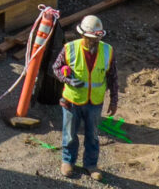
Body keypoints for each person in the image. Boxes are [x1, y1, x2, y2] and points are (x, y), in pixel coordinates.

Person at [50, 14, 121, 178]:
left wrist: (114, 100)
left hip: (94, 102)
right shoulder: (70, 48)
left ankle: (91, 165)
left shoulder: (107, 51)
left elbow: (113, 77)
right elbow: (56, 68)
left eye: (95, 39)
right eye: (90, 38)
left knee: (93, 136)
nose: (93, 42)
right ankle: (68, 162)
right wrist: (66, 78)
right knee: (70, 134)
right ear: (82, 35)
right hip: (72, 100)